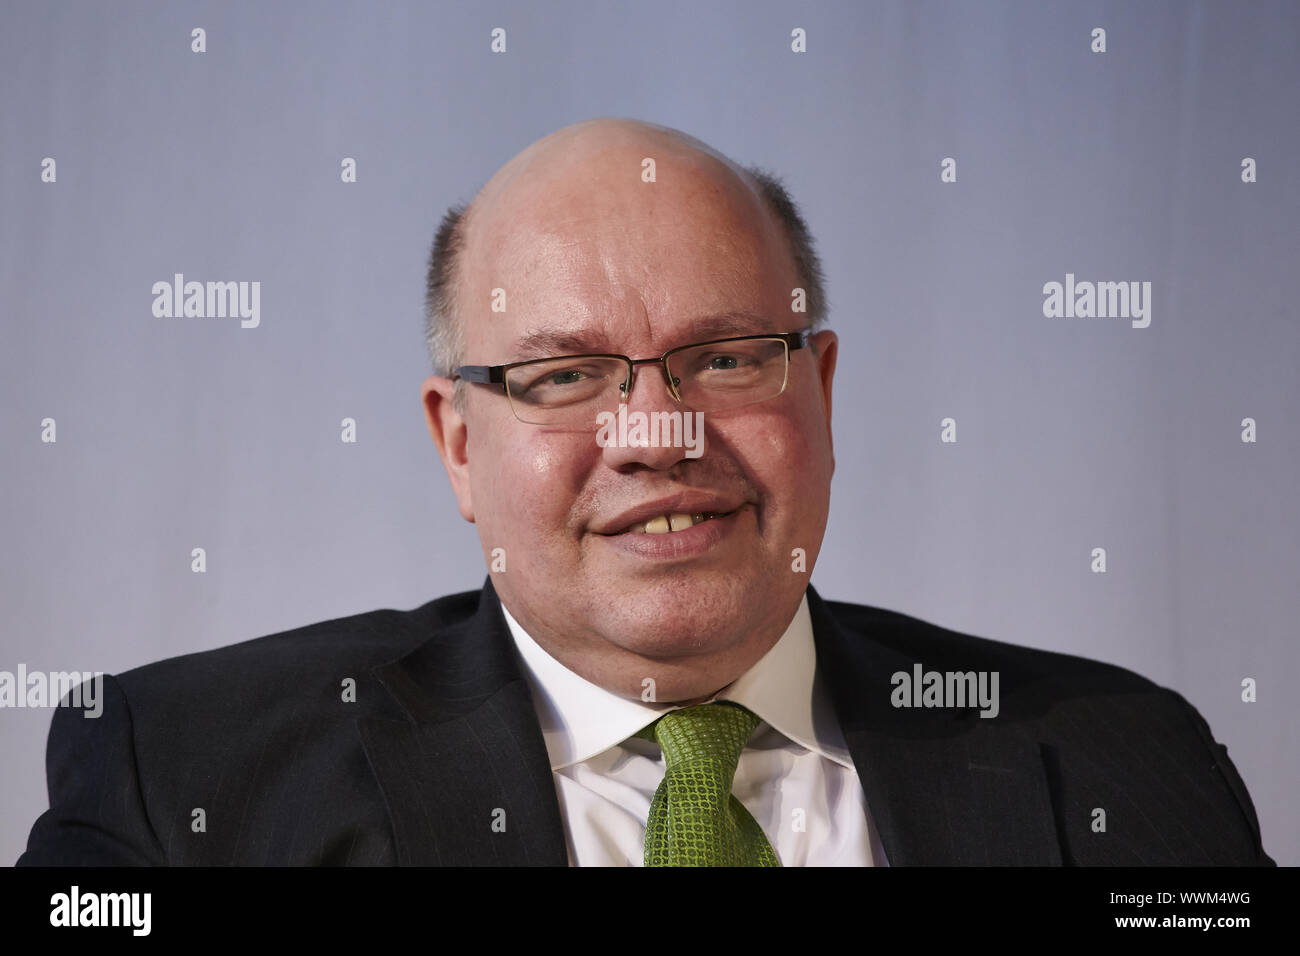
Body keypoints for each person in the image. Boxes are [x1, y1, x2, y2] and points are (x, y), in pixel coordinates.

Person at [18, 118, 1272, 866]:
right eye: (563, 374)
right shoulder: (178, 782)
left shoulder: (1126, 759)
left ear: (819, 390)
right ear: (458, 441)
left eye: (724, 356)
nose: (657, 433)